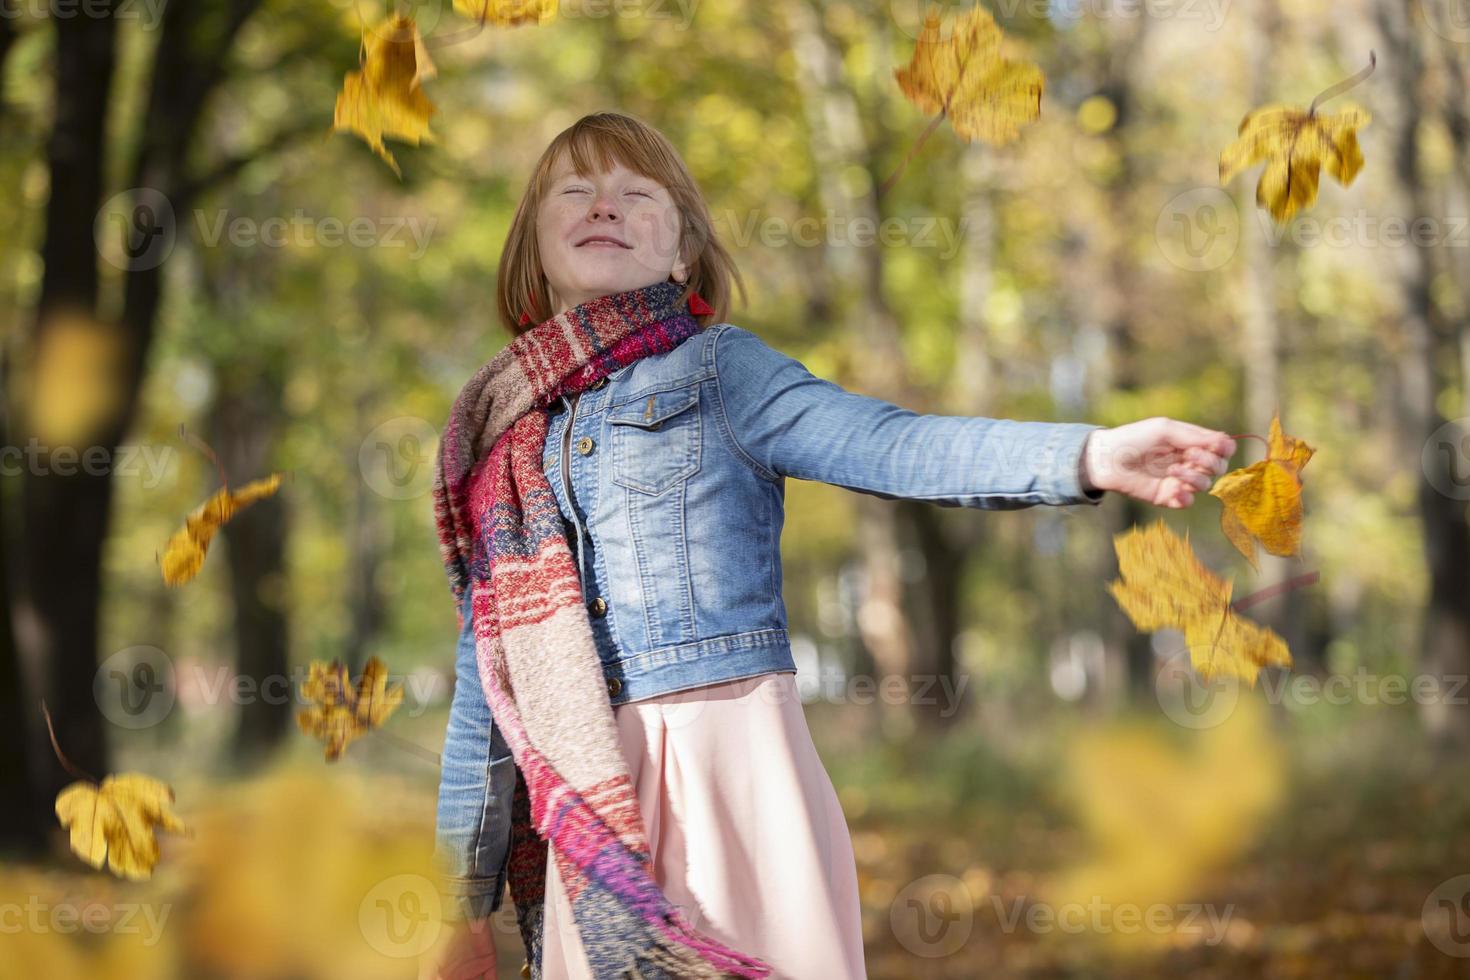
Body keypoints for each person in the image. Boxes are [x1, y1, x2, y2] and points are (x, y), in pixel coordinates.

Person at [425, 111, 1235, 980]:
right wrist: (463, 899)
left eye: (636, 193)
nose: (604, 207)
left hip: (730, 771)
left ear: (685, 253)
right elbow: (489, 688)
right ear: (533, 244)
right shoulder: (503, 447)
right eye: (575, 191)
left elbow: (891, 443)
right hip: (587, 804)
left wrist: (1085, 454)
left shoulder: (723, 370)